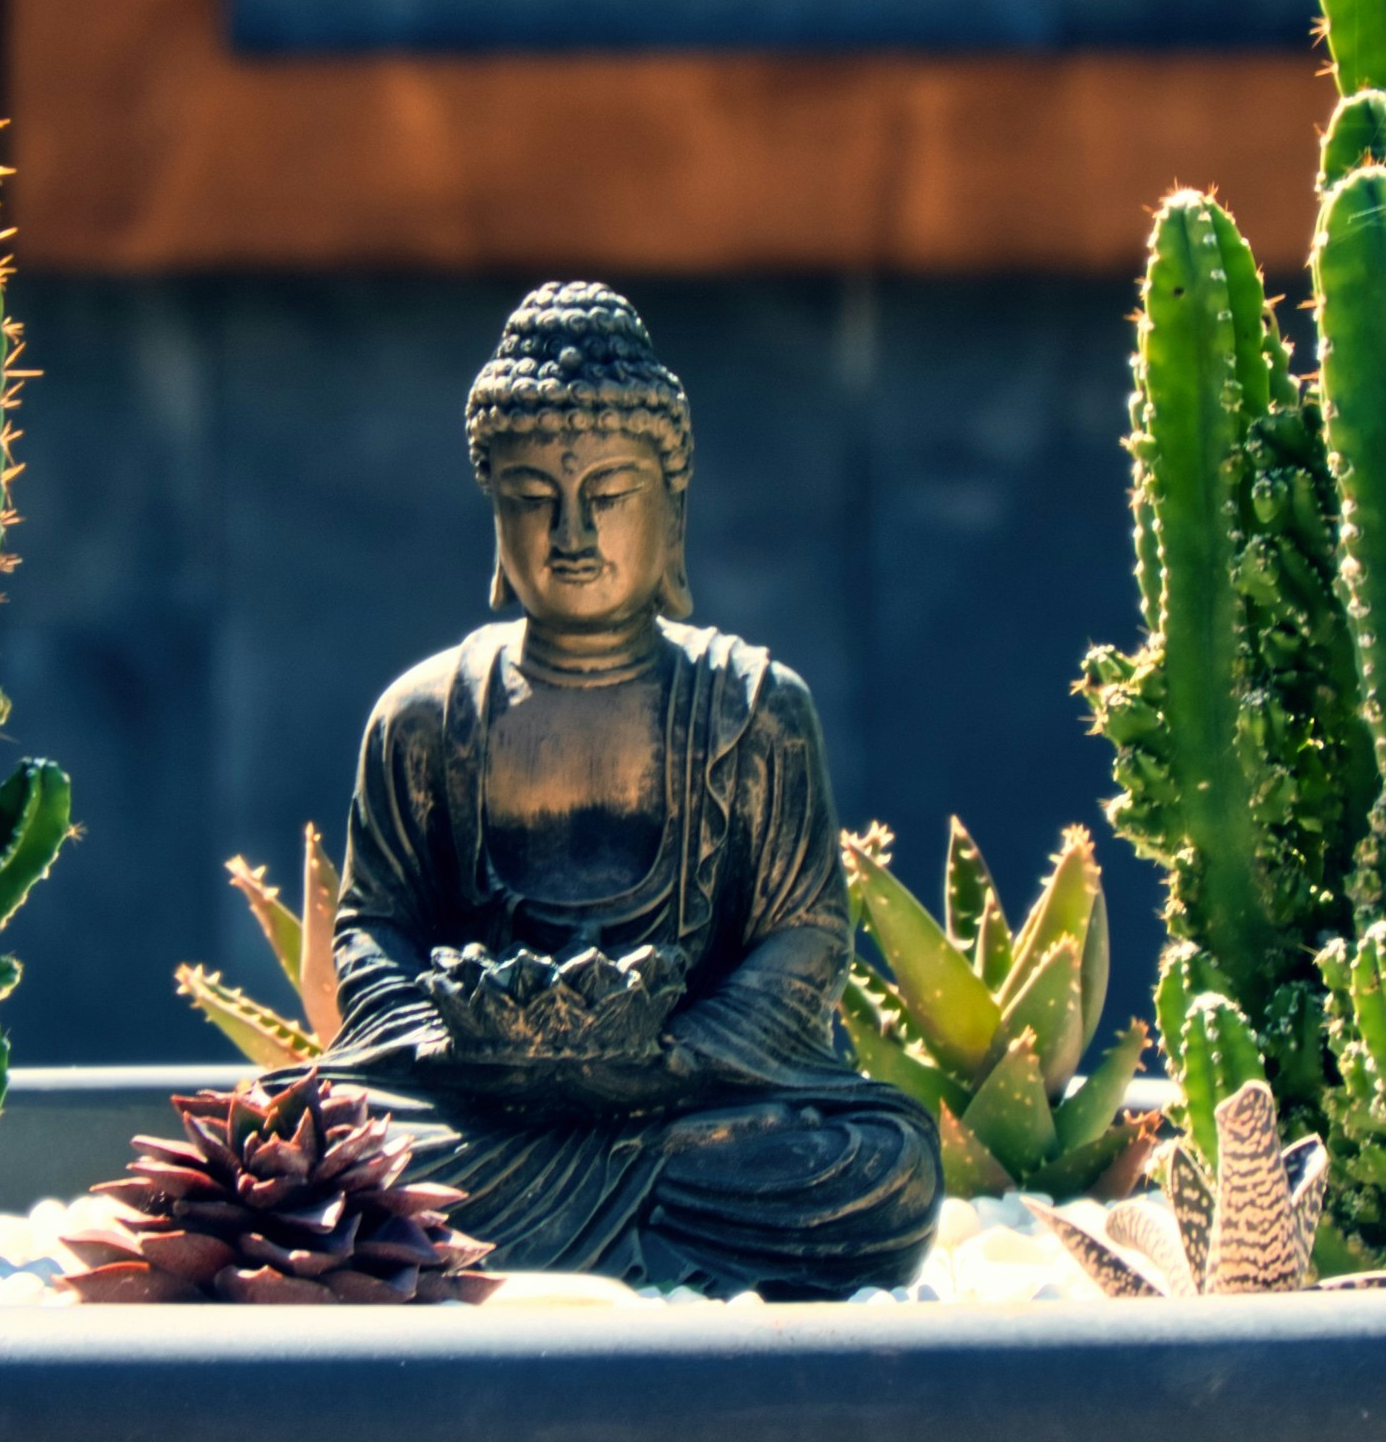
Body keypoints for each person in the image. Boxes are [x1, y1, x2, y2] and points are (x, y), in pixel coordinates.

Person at [323, 284, 942, 1294]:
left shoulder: (754, 709)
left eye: (608, 493)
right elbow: (369, 928)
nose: (571, 531)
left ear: (673, 507)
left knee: (883, 1169)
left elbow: (807, 935)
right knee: (305, 1144)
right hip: (474, 1113)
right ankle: (580, 1242)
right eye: (533, 496)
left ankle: (477, 1249)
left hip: (690, 1113)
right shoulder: (426, 714)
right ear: (494, 514)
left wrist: (680, 1054)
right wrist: (449, 1036)